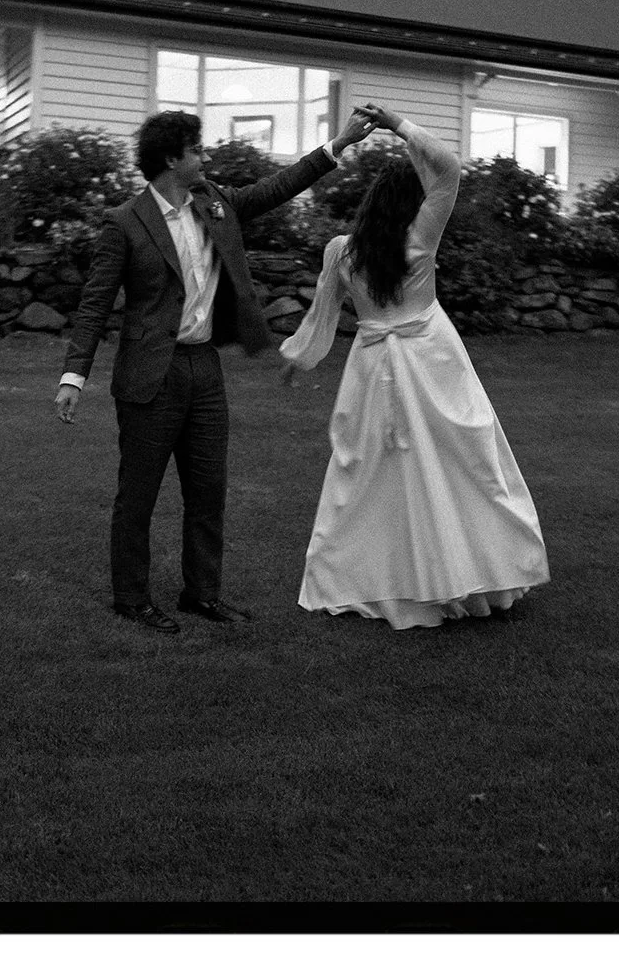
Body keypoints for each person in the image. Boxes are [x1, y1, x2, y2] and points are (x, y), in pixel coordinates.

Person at [56, 108, 378, 633]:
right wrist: (74, 377)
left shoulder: (214, 204)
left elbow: (276, 188)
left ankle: (201, 594)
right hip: (148, 376)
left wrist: (337, 145)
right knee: (137, 494)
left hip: (204, 370)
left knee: (208, 490)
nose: (203, 157)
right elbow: (94, 305)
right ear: (171, 159)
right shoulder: (124, 223)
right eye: (196, 150)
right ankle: (131, 598)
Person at [278, 102, 548, 630]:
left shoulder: (341, 251)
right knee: (461, 467)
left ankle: (375, 573)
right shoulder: (420, 240)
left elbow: (320, 320)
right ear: (413, 203)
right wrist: (398, 124)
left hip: (374, 366)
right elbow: (448, 168)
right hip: (432, 363)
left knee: (371, 477)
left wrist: (297, 359)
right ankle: (470, 573)